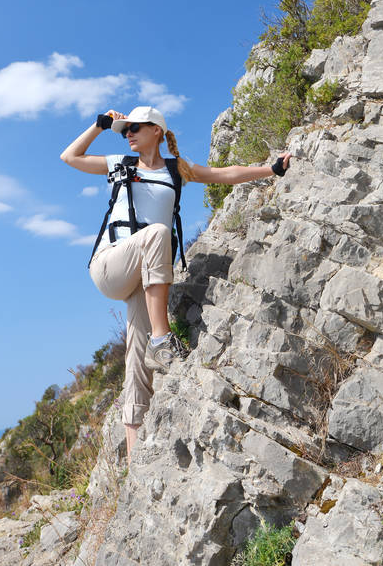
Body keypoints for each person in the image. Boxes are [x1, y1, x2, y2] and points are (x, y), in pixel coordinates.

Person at [60, 104, 291, 462]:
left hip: (142, 276)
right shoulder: (120, 164)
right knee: (157, 233)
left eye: (135, 128)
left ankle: (134, 458)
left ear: (156, 130)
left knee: (136, 362)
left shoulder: (176, 170)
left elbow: (225, 174)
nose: (129, 134)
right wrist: (100, 126)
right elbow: (70, 157)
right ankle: (162, 338)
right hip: (110, 265)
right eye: (126, 130)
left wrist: (271, 169)